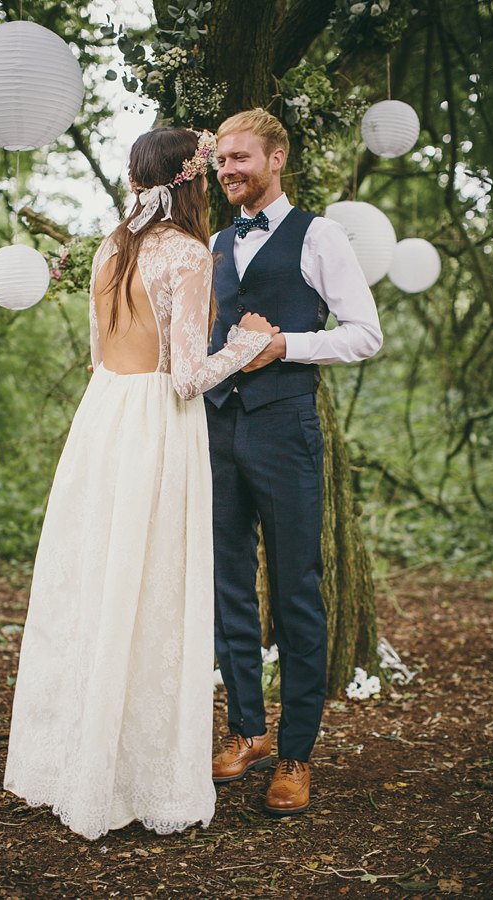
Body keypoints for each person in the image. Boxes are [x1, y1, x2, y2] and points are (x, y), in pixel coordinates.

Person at [3, 128, 277, 840]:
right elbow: (187, 375)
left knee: (101, 583)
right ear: (187, 183)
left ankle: (78, 764)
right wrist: (246, 344)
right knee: (152, 587)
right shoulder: (188, 255)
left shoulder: (106, 249)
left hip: (102, 423)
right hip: (156, 424)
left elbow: (100, 357)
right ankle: (135, 775)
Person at [205, 109, 383, 815]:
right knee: (228, 588)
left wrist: (288, 347)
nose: (228, 171)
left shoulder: (321, 235)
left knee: (297, 589)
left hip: (285, 428)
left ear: (277, 159)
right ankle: (246, 729)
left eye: (241, 158)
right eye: (221, 161)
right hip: (218, 429)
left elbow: (364, 334)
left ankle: (296, 753)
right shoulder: (217, 242)